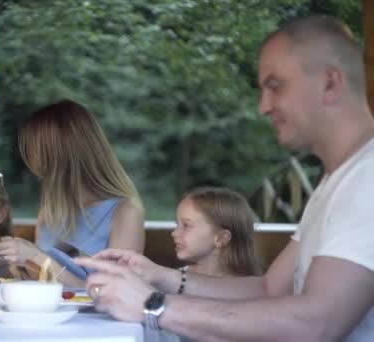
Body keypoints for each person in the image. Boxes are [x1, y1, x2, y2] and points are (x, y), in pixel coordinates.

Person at [75, 15, 374, 341]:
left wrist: (153, 306)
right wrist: (161, 278)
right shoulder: (336, 181)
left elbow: (318, 324)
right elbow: (270, 288)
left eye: (275, 86)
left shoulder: (367, 178)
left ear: (330, 83)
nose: (263, 106)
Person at [0, 99, 145, 286]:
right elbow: (43, 284)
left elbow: (118, 292)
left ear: (57, 156)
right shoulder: (49, 213)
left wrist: (36, 256)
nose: (32, 163)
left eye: (36, 151)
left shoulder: (125, 212)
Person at [173, 187, 261, 277]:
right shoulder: (173, 279)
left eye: (186, 226)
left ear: (221, 238)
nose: (174, 233)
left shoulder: (245, 287)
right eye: (177, 225)